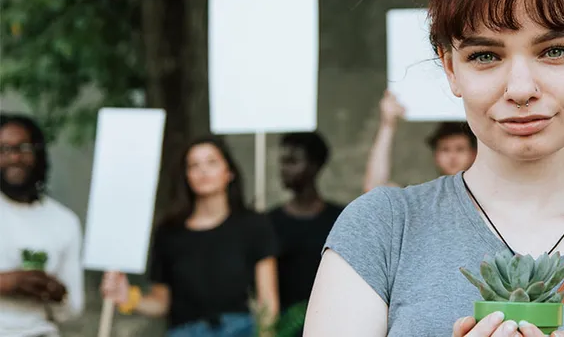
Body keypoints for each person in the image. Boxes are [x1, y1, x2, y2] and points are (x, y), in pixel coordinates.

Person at [304, 0, 564, 335]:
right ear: (450, 68)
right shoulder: (382, 229)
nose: (521, 89)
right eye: (485, 56)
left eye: (554, 50)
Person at [101, 136, 280, 336]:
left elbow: (267, 300)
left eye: (211, 162)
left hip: (239, 330)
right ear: (186, 175)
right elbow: (162, 303)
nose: (203, 171)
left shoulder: (253, 225)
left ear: (229, 172)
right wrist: (129, 298)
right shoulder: (169, 232)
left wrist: (267, 333)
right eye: (194, 165)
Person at [0, 114, 84, 337]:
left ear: (38, 154)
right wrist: (6, 283)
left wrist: (57, 293)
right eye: (4, 149)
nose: (15, 157)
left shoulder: (64, 221)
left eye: (24, 147)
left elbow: (73, 310)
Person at [267, 132, 344, 314]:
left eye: (292, 162)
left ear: (314, 166)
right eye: (282, 161)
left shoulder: (340, 219)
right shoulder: (269, 222)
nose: (283, 168)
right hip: (284, 327)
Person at [363, 90, 477, 192]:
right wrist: (387, 125)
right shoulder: (422, 196)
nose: (452, 156)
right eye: (445, 149)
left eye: (460, 149)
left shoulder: (487, 194)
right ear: (436, 155)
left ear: (473, 153)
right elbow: (374, 188)